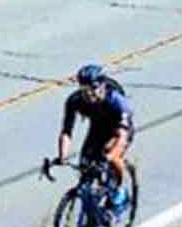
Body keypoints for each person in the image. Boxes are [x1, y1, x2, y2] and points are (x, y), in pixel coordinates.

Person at [54, 62, 134, 215]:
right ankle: (90, 209)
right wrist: (62, 156)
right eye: (84, 90)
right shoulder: (75, 101)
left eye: (93, 89)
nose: (89, 94)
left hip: (119, 128)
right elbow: (66, 131)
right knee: (86, 165)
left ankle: (119, 191)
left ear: (102, 86)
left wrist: (111, 156)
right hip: (98, 127)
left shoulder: (116, 101)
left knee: (111, 154)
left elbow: (122, 136)